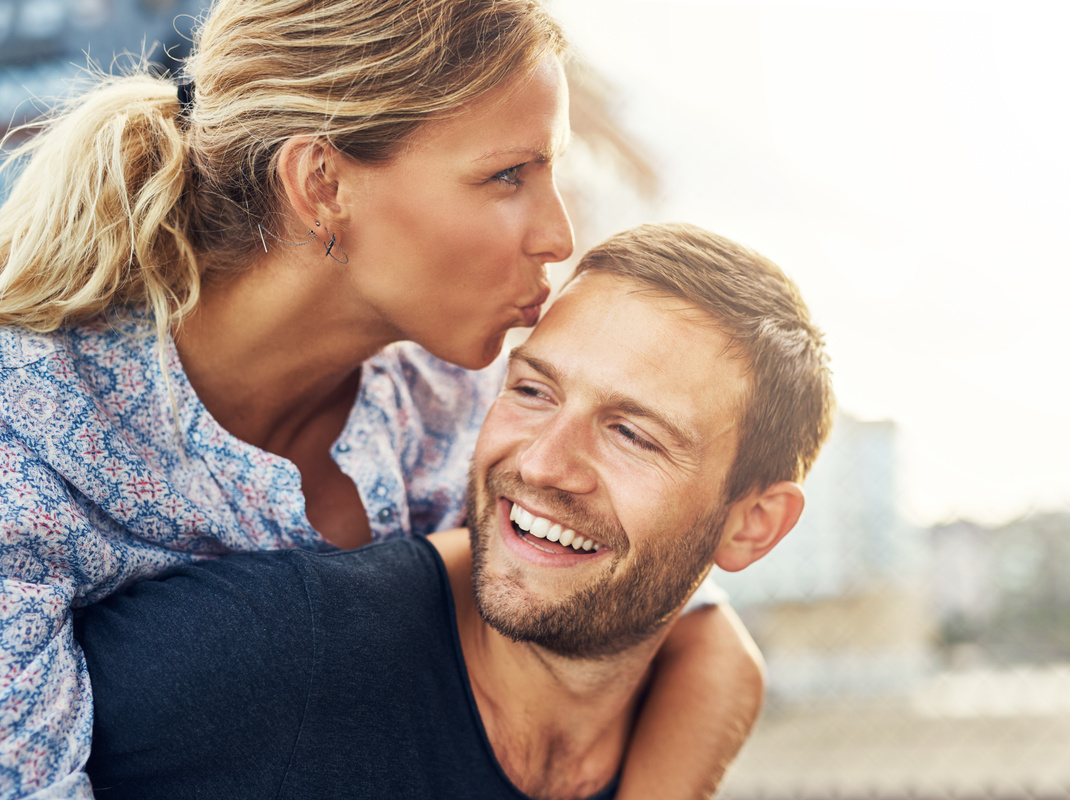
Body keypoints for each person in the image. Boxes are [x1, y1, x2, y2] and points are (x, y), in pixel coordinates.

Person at [0, 3, 763, 799]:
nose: (559, 235)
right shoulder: (24, 442)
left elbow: (702, 639)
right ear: (322, 184)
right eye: (509, 175)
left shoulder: (457, 397)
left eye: (551, 172)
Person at [76, 222, 836, 799]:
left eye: (632, 434)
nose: (541, 463)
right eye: (532, 391)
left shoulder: (677, 702)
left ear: (753, 524)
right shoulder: (280, 652)